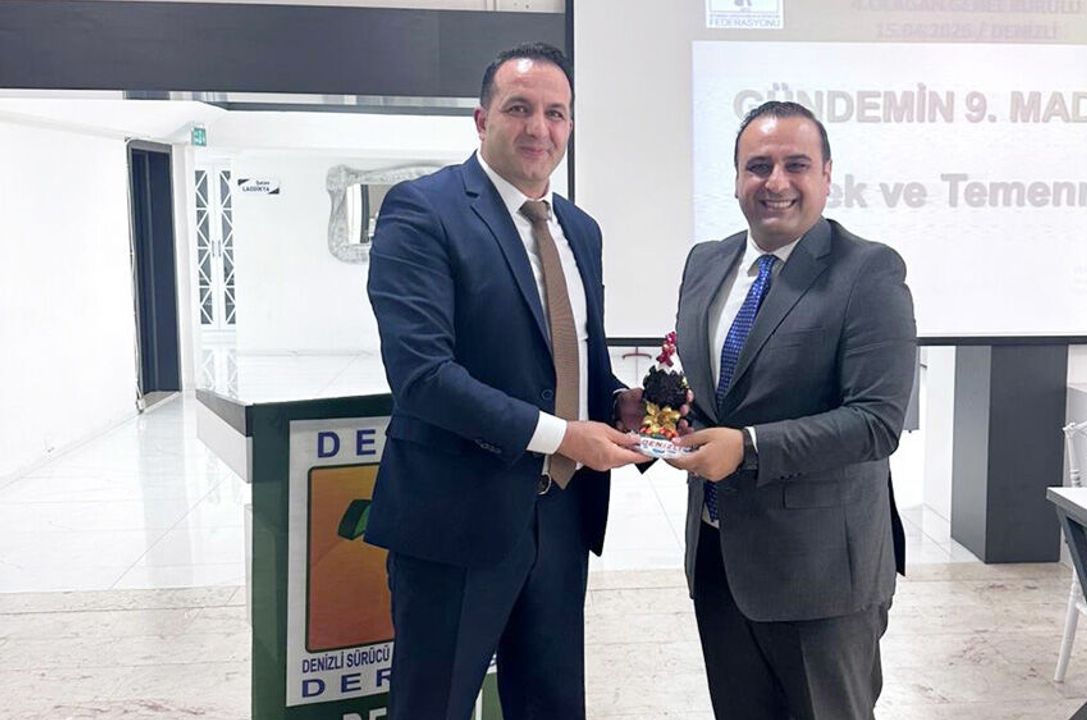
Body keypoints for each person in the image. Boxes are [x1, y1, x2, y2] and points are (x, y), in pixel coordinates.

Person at [364, 42, 649, 720]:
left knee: (552, 706)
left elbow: (568, 359)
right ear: (481, 118)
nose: (538, 128)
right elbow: (423, 377)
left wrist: (620, 403)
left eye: (556, 113)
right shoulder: (423, 211)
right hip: (455, 521)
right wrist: (564, 436)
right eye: (519, 108)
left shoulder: (580, 229)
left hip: (562, 519)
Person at [668, 100, 916, 720]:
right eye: (758, 166)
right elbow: (715, 393)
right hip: (720, 560)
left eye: (796, 165)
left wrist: (748, 447)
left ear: (827, 176)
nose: (775, 182)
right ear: (735, 179)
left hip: (822, 577)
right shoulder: (706, 262)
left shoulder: (868, 271)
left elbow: (876, 421)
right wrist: (660, 416)